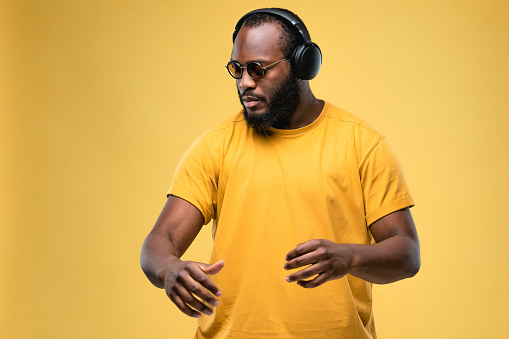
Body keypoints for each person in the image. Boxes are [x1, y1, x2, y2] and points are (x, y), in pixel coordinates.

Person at [140, 7, 420, 339]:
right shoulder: (213, 147)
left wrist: (350, 256)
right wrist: (169, 268)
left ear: (302, 64)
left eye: (258, 69)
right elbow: (161, 241)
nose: (245, 82)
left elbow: (406, 253)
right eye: (237, 69)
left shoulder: (362, 144)